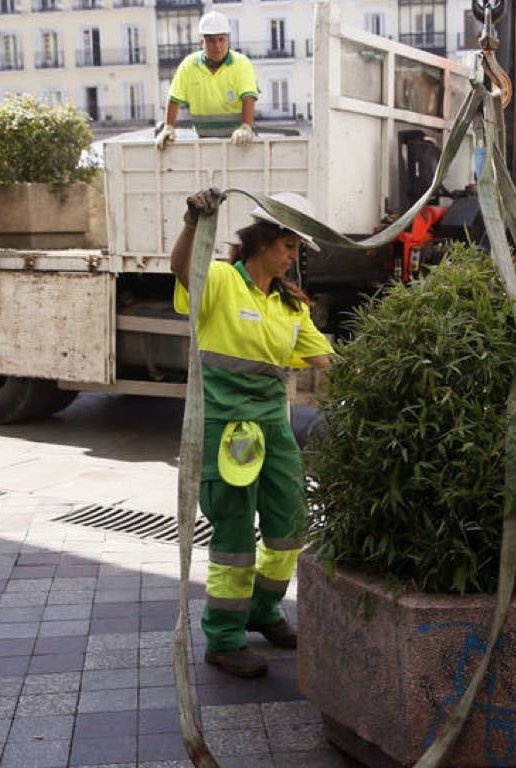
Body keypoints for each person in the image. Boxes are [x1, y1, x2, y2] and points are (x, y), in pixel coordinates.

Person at [170, 188, 333, 677]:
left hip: (273, 429)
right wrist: (193, 224)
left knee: (289, 528)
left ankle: (265, 612)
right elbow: (183, 269)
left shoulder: (291, 306)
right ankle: (223, 638)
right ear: (264, 241)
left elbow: (325, 359)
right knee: (235, 537)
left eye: (297, 250)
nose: (293, 258)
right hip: (226, 432)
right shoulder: (220, 281)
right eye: (290, 247)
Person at [156, 11, 258, 149]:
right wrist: (168, 127)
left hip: (239, 144)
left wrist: (246, 127)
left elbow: (248, 97)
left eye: (221, 39)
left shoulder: (241, 63)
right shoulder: (189, 65)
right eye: (211, 40)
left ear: (228, 40)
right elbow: (174, 98)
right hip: (204, 143)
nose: (217, 45)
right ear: (202, 42)